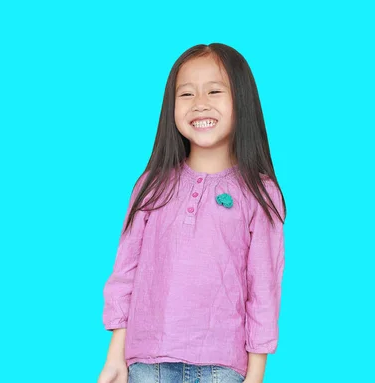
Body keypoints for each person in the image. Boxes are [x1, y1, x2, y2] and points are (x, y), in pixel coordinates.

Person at [97, 43, 286, 383]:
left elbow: (264, 290)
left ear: (242, 100)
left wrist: (256, 376)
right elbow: (126, 273)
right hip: (146, 364)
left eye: (214, 90)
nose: (200, 103)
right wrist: (115, 357)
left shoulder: (259, 194)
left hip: (221, 368)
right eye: (186, 94)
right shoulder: (151, 185)